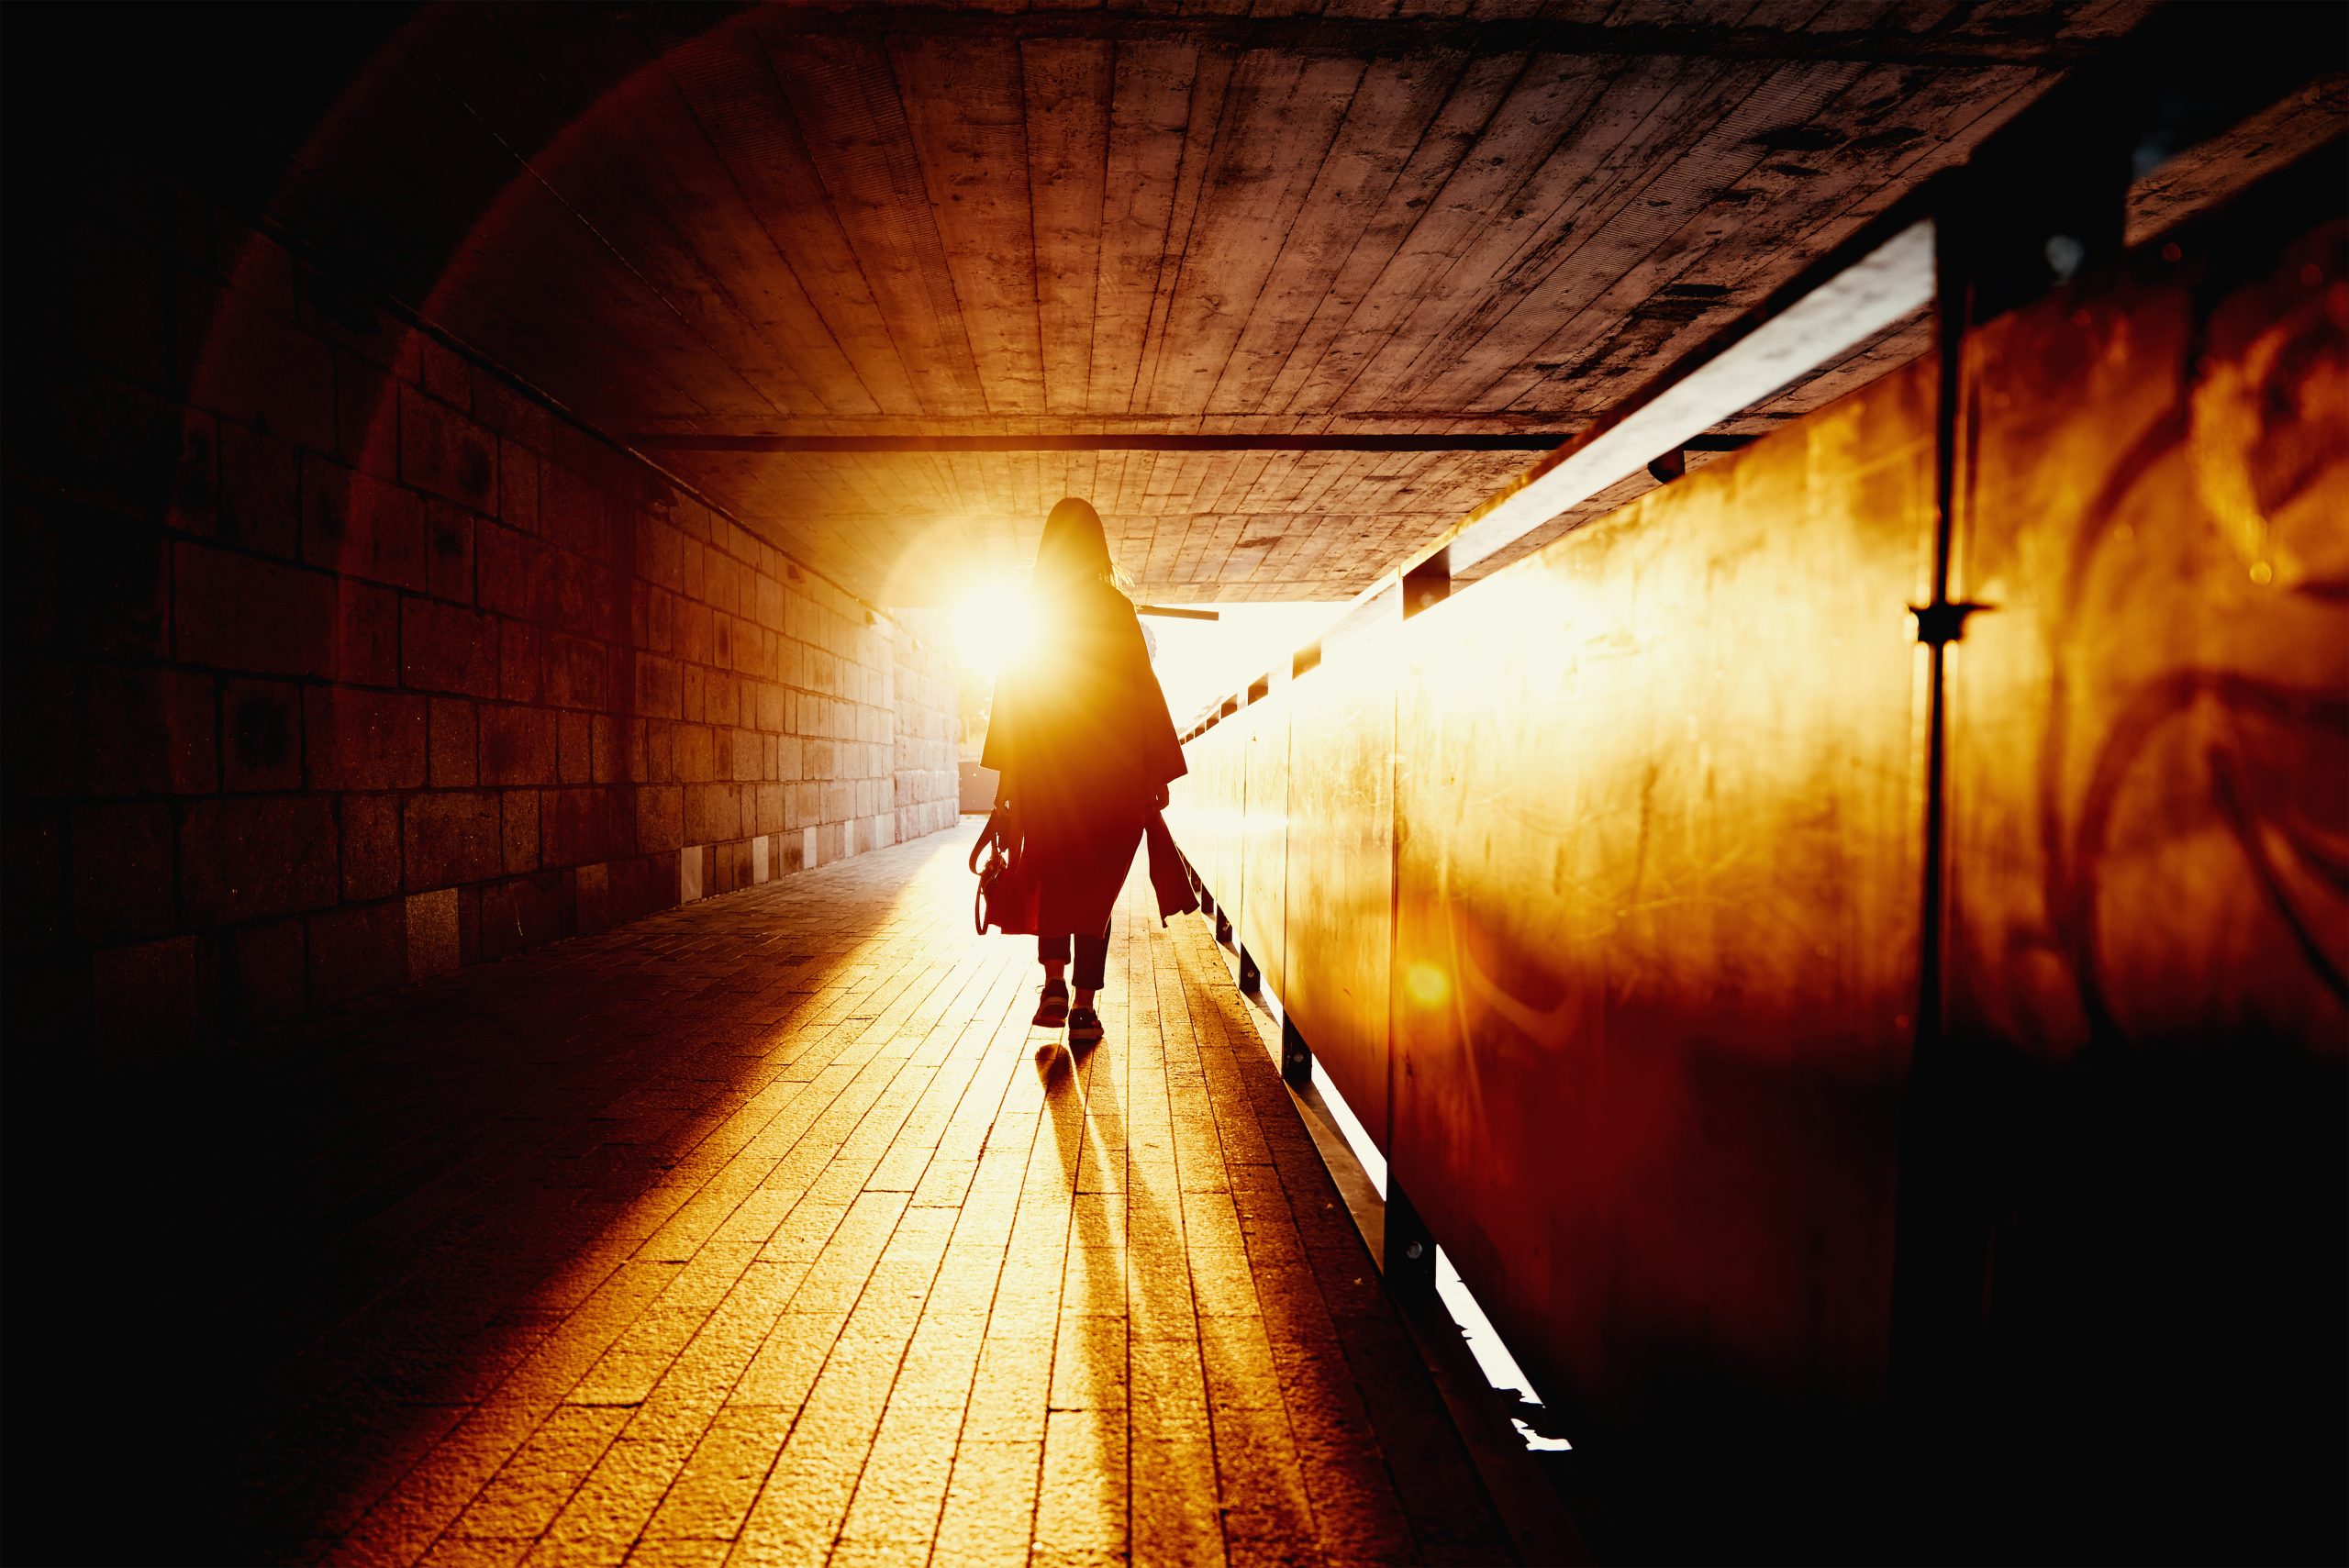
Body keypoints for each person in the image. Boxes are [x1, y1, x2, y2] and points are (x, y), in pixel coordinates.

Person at [980, 497, 1186, 1045]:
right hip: (1109, 778)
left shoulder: (1033, 612)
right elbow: (1142, 694)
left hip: (1048, 776)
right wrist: (1153, 774)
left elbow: (1014, 699)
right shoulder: (1116, 609)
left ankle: (1052, 986)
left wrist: (1008, 784)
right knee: (1095, 892)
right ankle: (1086, 1008)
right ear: (1098, 547)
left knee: (1052, 876)